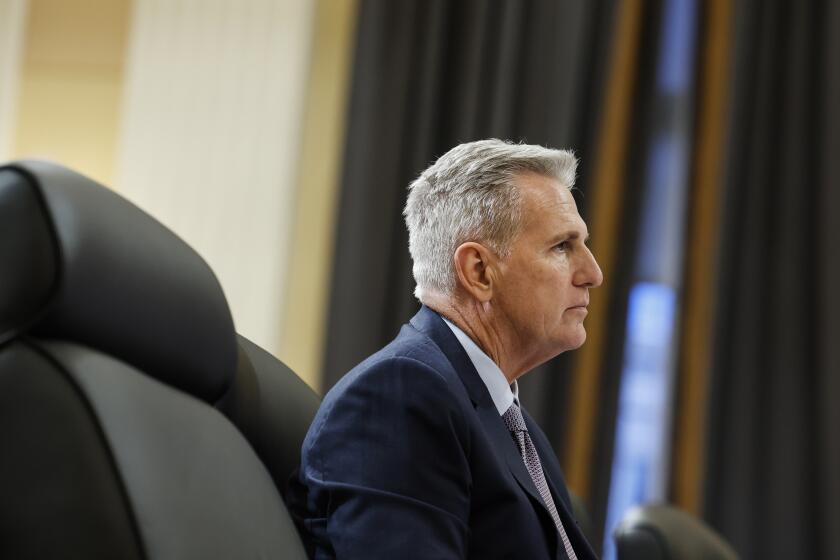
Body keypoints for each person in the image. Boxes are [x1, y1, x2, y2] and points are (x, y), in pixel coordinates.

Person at [287, 139, 603, 559]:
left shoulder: (512, 423)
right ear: (479, 271)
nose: (592, 273)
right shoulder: (400, 397)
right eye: (562, 246)